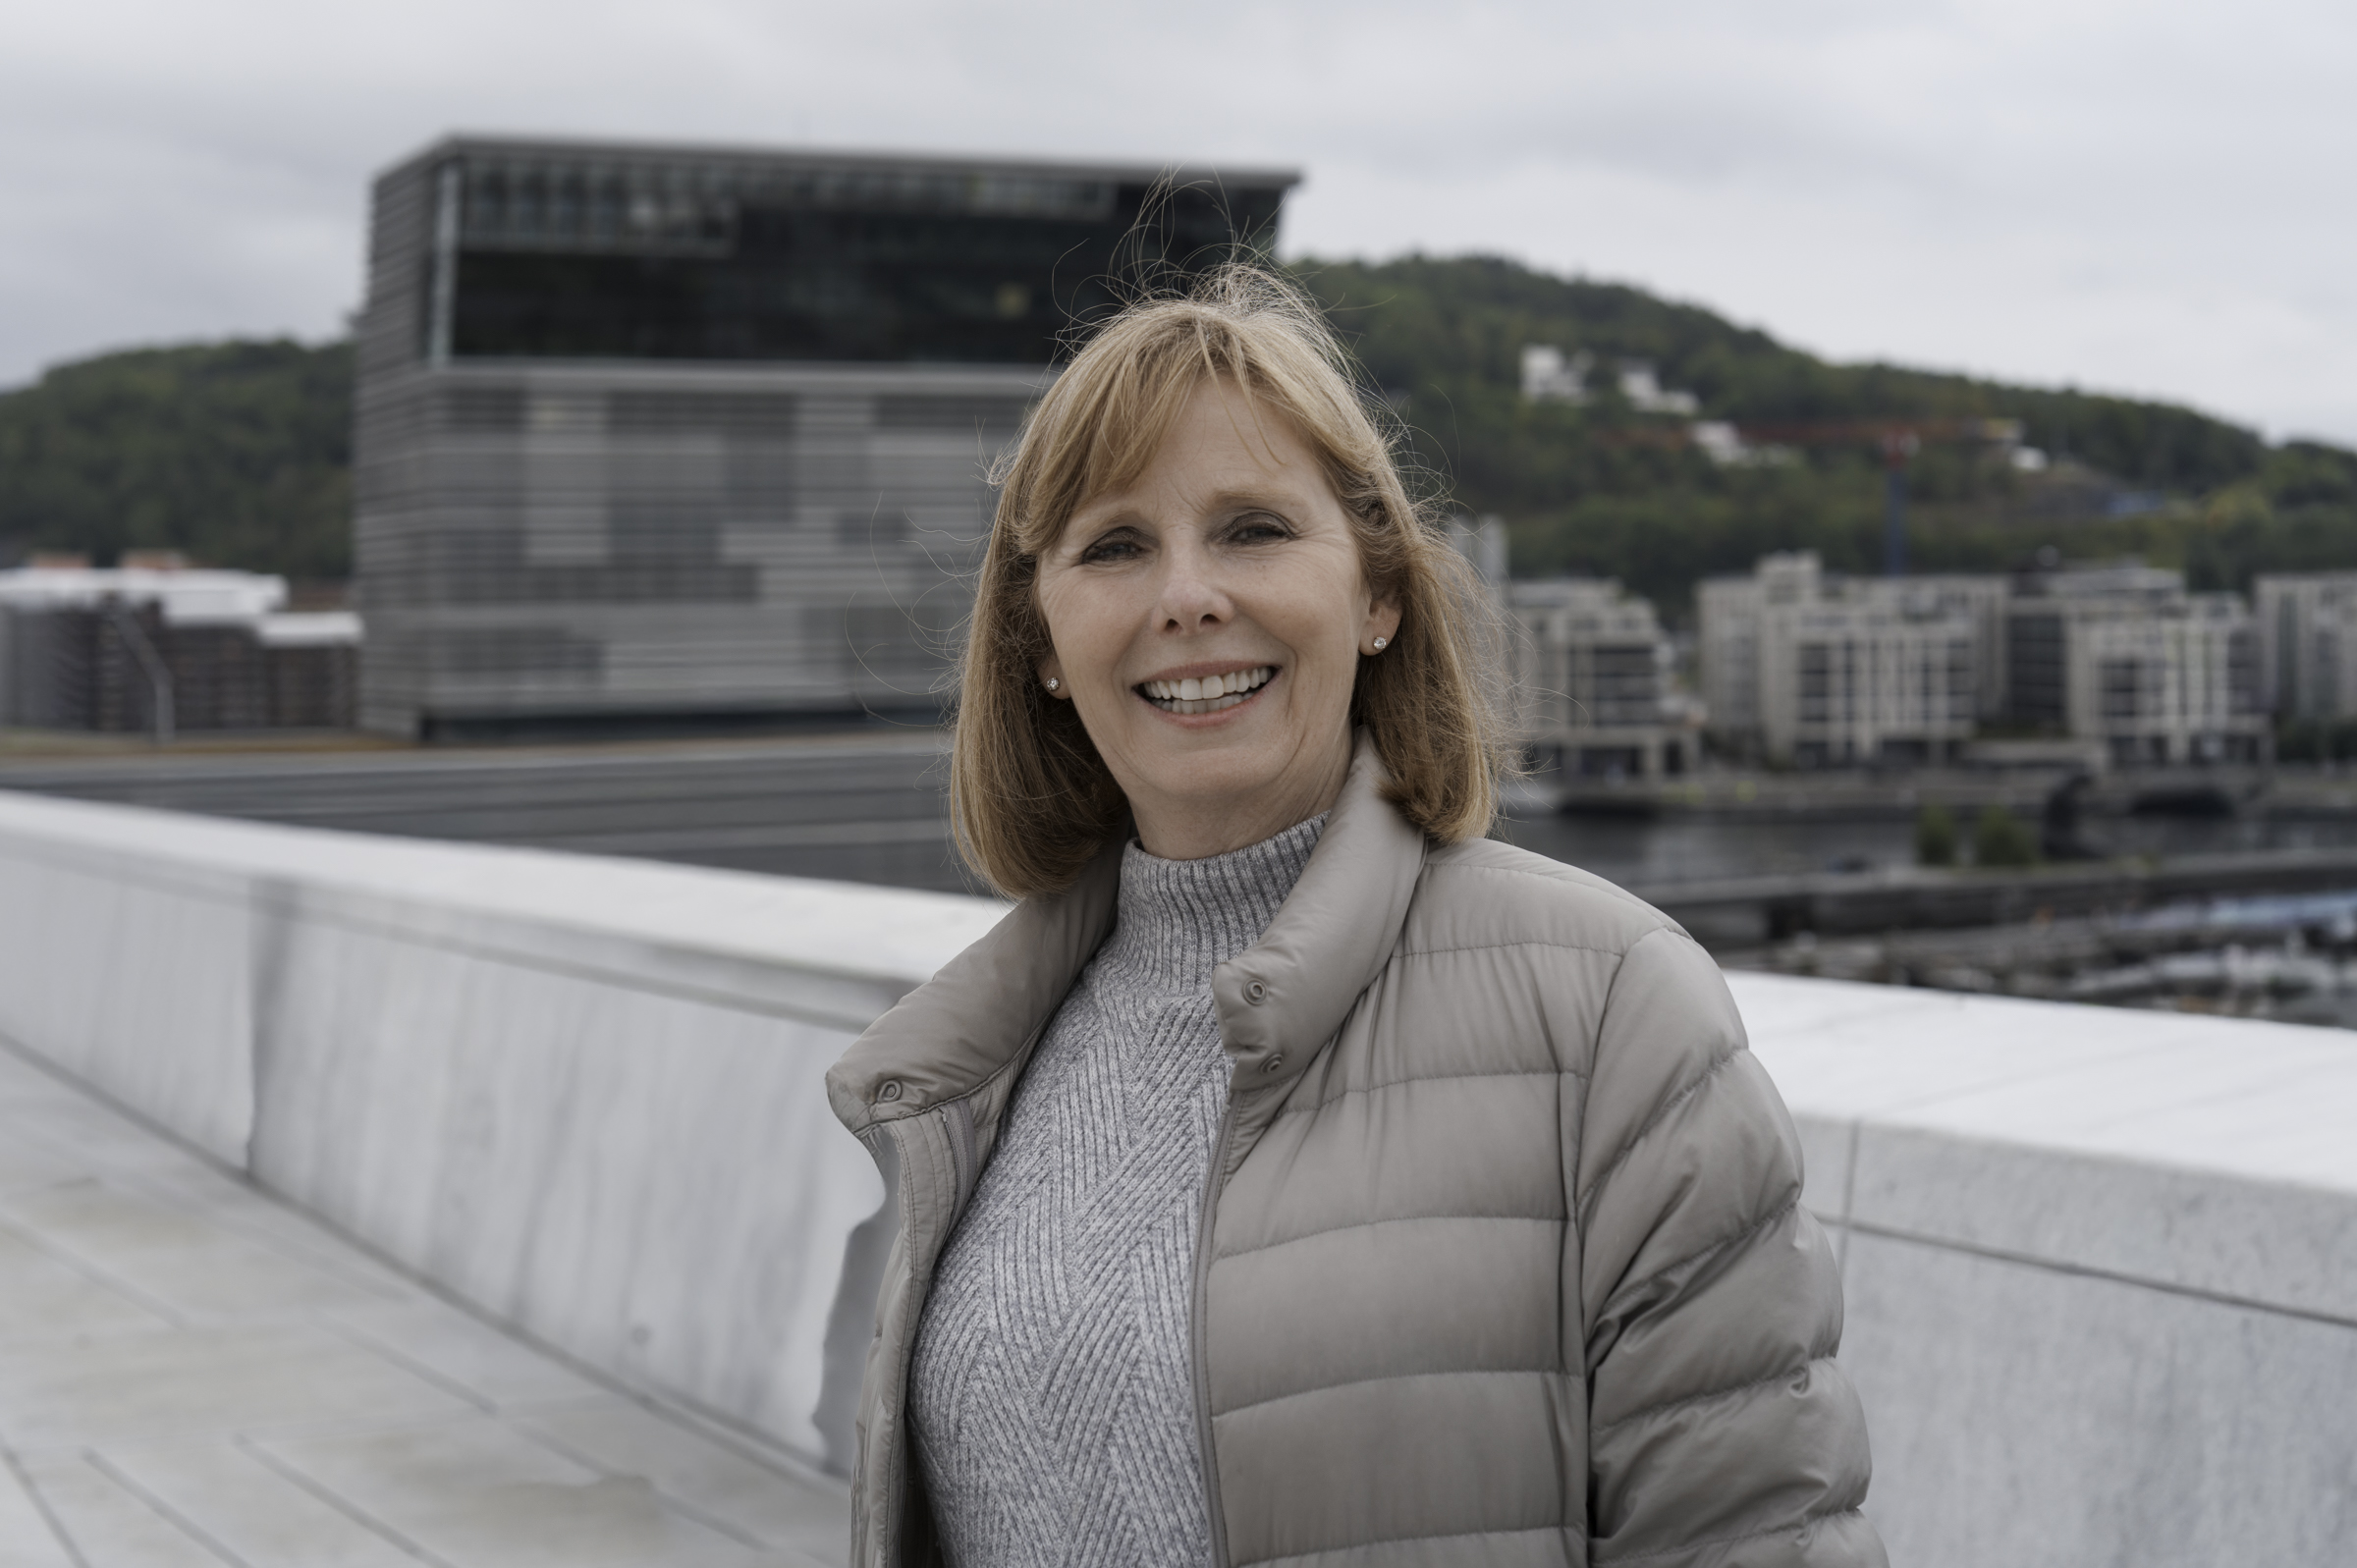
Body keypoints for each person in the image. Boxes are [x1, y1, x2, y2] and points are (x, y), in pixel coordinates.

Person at [825, 265, 1884, 1568]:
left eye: (1254, 529)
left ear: (1378, 593)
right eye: (1114, 545)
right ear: (1041, 640)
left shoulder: (1614, 1011)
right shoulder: (973, 1065)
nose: (1187, 596)